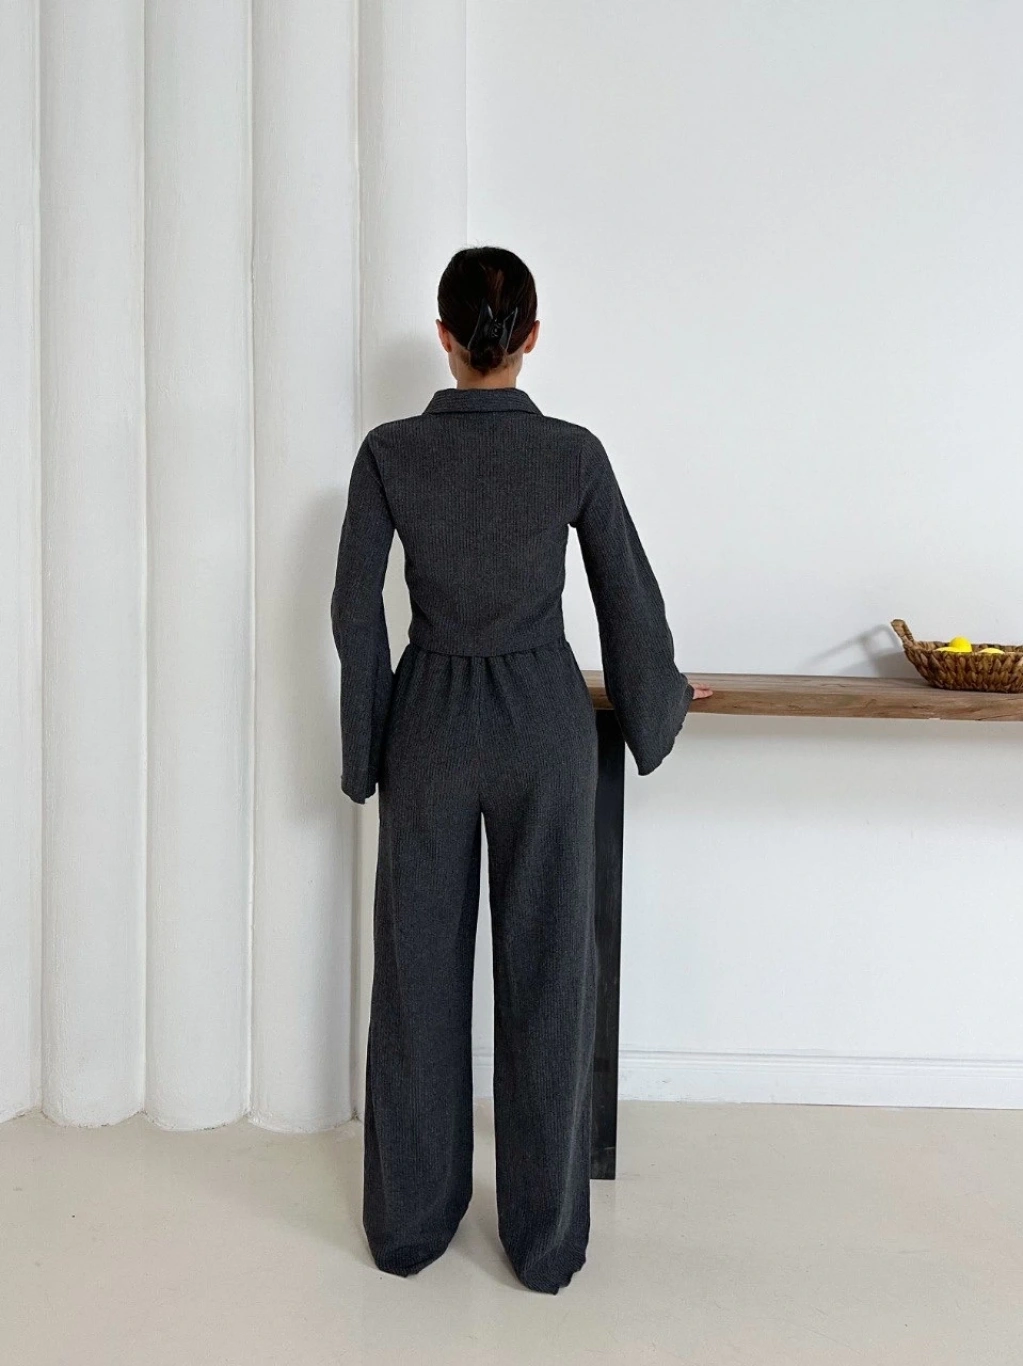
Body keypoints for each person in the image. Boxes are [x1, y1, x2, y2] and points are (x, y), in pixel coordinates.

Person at [330, 245, 711, 1294]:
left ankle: (410, 1225)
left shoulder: (388, 452)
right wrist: (658, 703)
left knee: (417, 977)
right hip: (545, 725)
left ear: (444, 337)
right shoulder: (572, 453)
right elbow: (626, 592)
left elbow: (354, 611)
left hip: (431, 727)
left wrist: (366, 751)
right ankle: (544, 1244)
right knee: (550, 976)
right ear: (531, 338)